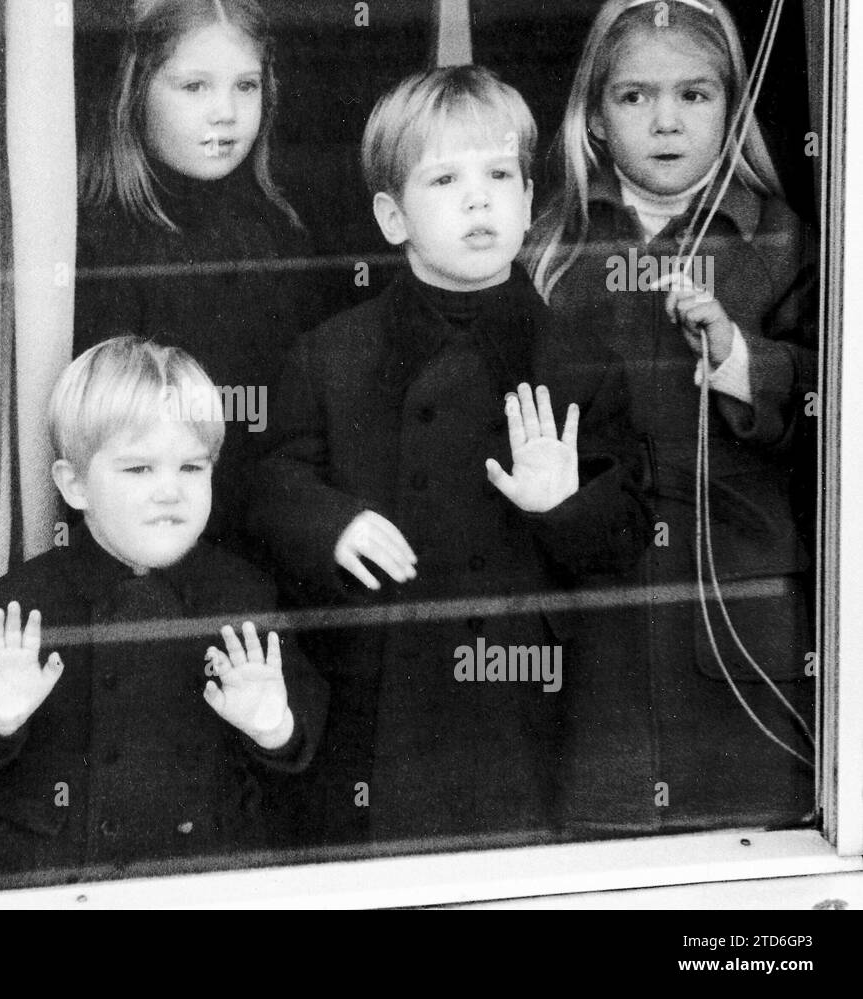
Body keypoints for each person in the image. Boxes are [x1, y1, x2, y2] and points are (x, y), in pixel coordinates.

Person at [248, 66, 650, 848]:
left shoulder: (577, 360)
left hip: (520, 700)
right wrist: (333, 524)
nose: (479, 199)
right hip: (375, 697)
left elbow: (629, 533)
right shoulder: (334, 354)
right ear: (393, 216)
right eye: (445, 178)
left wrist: (564, 501)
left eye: (501, 174)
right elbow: (268, 483)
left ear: (530, 202)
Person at [526, 0, 818, 834]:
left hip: (741, 606)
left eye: (694, 93)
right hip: (600, 611)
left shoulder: (779, 239)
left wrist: (737, 357)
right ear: (592, 117)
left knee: (750, 855)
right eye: (635, 95)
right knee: (603, 841)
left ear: (731, 108)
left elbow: (829, 405)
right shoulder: (551, 245)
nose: (665, 121)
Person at [0, 336, 326, 884]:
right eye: (139, 470)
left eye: (192, 467)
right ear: (74, 485)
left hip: (207, 877)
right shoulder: (23, 601)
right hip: (58, 878)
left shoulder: (243, 593)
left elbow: (305, 721)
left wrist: (273, 723)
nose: (170, 491)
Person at [76, 0, 337, 550]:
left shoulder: (280, 232)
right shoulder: (100, 240)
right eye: (195, 86)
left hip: (268, 529)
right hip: (149, 540)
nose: (227, 111)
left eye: (245, 85)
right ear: (135, 89)